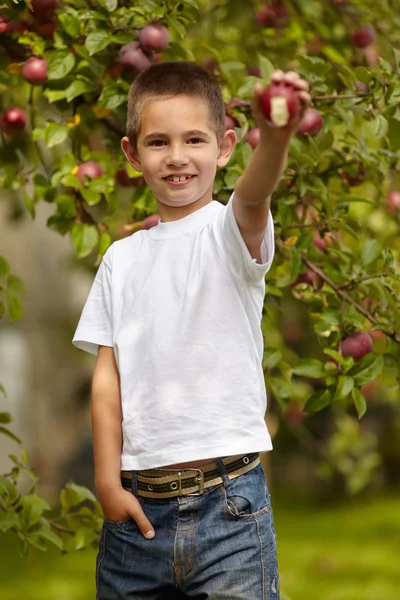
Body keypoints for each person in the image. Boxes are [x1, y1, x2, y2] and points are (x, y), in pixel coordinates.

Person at [72, 60, 310, 600]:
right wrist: (107, 481)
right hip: (136, 520)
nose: (177, 157)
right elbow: (107, 379)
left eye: (195, 139)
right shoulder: (120, 259)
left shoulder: (230, 235)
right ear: (132, 154)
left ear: (225, 146)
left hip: (229, 506)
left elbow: (253, 195)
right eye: (158, 142)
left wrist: (274, 139)